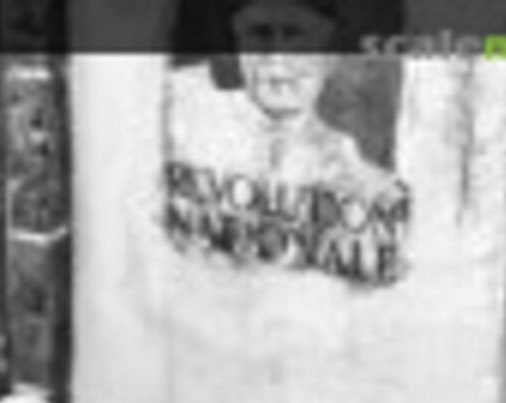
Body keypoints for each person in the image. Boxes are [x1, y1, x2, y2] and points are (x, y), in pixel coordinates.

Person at [165, 0, 410, 284]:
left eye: (297, 36)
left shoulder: (366, 184)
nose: (277, 57)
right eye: (258, 35)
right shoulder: (189, 126)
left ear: (330, 57)